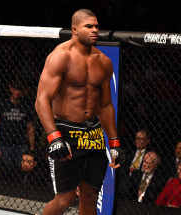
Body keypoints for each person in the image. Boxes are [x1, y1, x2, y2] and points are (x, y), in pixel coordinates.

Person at [34, 9, 125, 215]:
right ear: (75, 29)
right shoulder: (60, 56)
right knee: (64, 201)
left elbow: (105, 106)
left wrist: (114, 141)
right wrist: (53, 136)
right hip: (65, 132)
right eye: (89, 26)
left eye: (96, 26)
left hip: (92, 133)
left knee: (90, 197)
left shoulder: (103, 61)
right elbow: (42, 100)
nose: (95, 30)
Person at [0, 81, 35, 168]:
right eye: (15, 89)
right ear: (11, 89)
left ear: (23, 92)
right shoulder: (2, 105)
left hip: (21, 143)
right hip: (5, 144)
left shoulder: (25, 107)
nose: (17, 92)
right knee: (6, 169)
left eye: (20, 90)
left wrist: (32, 146)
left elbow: (30, 128)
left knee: (21, 169)